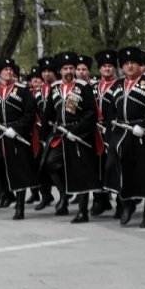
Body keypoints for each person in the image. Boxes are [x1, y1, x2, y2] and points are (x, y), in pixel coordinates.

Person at [101, 47, 145, 227]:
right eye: (126, 64)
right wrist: (109, 136)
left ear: (140, 66)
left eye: (133, 63)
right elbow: (111, 112)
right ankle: (127, 203)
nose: (130, 67)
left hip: (143, 133)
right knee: (117, 169)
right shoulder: (117, 85)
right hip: (121, 133)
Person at [39, 52, 99, 222]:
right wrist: (44, 136)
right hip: (60, 134)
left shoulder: (83, 87)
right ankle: (64, 192)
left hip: (79, 134)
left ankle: (83, 211)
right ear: (60, 70)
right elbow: (48, 114)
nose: (68, 71)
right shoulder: (55, 88)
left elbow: (91, 113)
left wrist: (78, 131)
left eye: (71, 68)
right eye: (65, 68)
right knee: (50, 163)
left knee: (81, 171)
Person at [0, 58, 38, 219]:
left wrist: (17, 129)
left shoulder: (23, 91)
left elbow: (30, 114)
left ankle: (20, 207)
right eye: (5, 70)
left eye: (11, 70)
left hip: (17, 134)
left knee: (19, 170)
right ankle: (5, 192)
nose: (9, 72)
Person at [90, 49, 120, 217]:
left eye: (110, 66)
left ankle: (121, 202)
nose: (107, 69)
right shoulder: (93, 87)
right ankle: (100, 200)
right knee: (97, 167)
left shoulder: (120, 85)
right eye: (104, 66)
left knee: (113, 167)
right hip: (96, 132)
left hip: (114, 131)